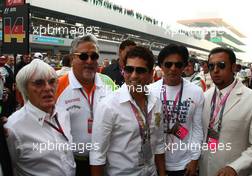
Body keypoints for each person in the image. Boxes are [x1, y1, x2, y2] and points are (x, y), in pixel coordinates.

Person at [90, 46, 166, 176]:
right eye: (129, 69)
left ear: (150, 73)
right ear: (123, 71)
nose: (134, 75)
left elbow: (159, 144)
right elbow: (97, 154)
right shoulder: (108, 106)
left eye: (140, 70)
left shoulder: (156, 103)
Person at [56, 34, 116, 176]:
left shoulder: (108, 82)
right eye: (83, 56)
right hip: (72, 162)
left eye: (94, 56)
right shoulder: (57, 85)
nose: (89, 61)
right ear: (72, 59)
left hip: (106, 160)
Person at [199, 47, 252, 176]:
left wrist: (235, 168)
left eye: (221, 65)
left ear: (233, 67)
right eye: (211, 66)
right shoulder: (205, 97)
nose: (215, 70)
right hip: (204, 169)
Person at [5, 59, 76, 176]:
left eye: (52, 81)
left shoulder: (63, 113)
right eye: (39, 83)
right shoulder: (13, 128)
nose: (48, 88)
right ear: (25, 89)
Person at [149, 44, 204, 176]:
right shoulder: (150, 91)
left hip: (184, 163)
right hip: (155, 161)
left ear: (184, 66)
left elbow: (197, 128)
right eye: (168, 64)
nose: (173, 69)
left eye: (178, 65)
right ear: (161, 66)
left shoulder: (196, 92)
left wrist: (194, 159)